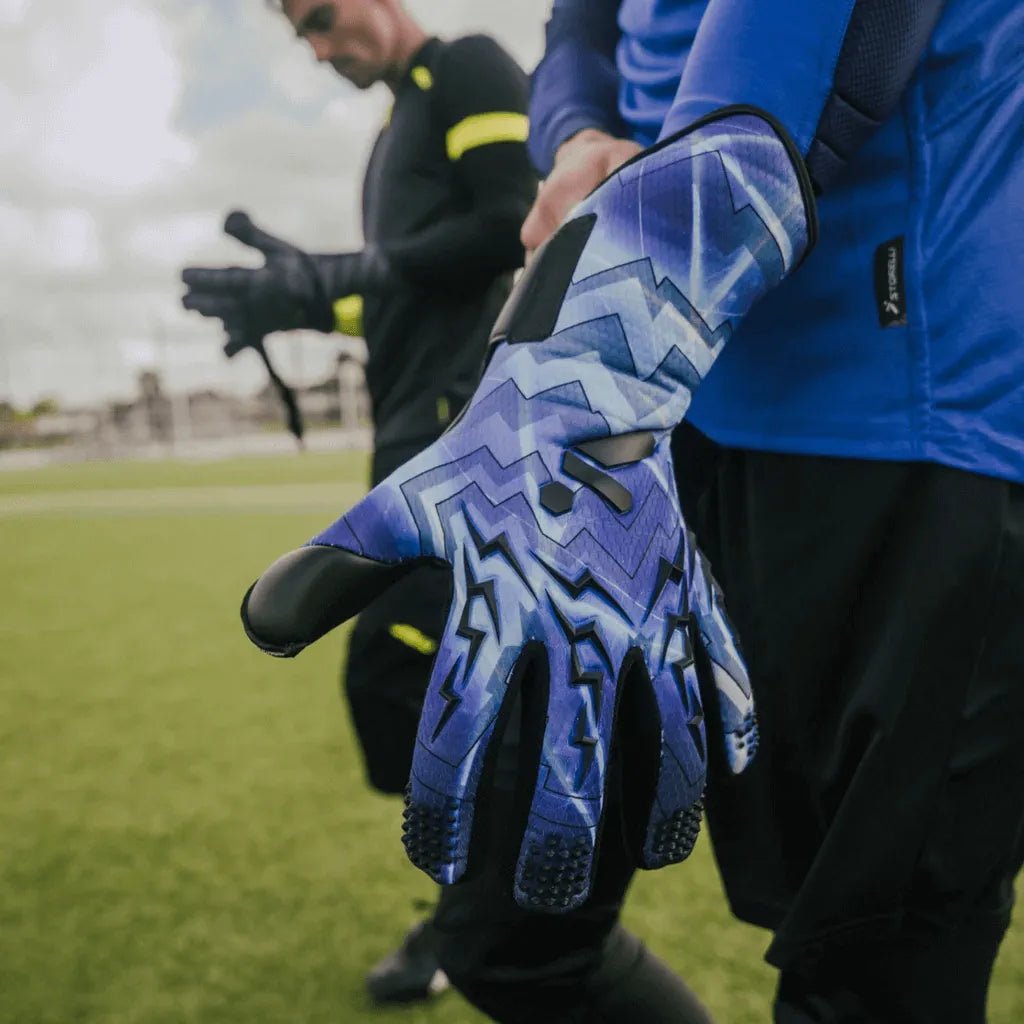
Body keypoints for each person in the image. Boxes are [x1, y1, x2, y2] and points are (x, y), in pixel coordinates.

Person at [239, 2, 1024, 1023]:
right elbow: (581, 25)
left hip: (910, 425)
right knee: (505, 936)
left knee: (870, 988)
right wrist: (580, 137)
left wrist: (644, 264)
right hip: (648, 434)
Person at [180, 0, 536, 1005]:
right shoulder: (391, 135)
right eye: (302, 33)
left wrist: (350, 270)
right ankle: (482, 903)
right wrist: (302, 297)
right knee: (402, 689)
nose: (318, 48)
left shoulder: (466, 69)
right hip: (408, 441)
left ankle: (505, 904)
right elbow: (401, 295)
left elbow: (508, 224)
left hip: (471, 442)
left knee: (401, 671)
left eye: (323, 17)